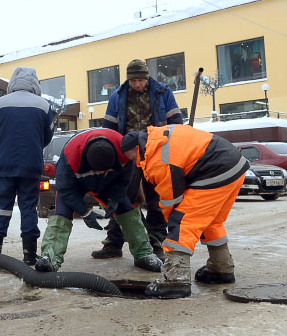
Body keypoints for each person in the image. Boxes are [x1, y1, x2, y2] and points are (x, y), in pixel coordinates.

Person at [121, 125, 249, 298]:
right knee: (210, 221)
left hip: (213, 171)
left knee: (182, 222)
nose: (131, 161)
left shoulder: (157, 157)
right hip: (233, 166)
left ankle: (176, 280)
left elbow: (171, 198)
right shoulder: (157, 138)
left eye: (130, 156)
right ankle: (221, 268)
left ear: (135, 148)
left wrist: (171, 223)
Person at [34, 128, 162, 273]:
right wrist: (84, 212)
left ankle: (143, 254)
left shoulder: (122, 148)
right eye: (100, 170)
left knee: (127, 210)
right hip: (75, 185)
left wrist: (115, 198)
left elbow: (124, 178)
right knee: (61, 214)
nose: (102, 172)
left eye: (106, 170)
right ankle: (50, 257)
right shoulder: (70, 157)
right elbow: (65, 190)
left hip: (109, 184)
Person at [96, 59, 183, 262]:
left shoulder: (163, 93)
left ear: (146, 78)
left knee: (156, 200)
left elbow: (175, 122)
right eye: (133, 80)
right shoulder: (117, 96)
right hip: (130, 153)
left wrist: (176, 143)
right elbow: (108, 127)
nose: (137, 84)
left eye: (140, 80)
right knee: (123, 197)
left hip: (157, 152)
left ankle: (156, 242)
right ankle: (114, 242)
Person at [0, 67, 54, 265]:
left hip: (5, 163)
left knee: (1, 205)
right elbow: (47, 136)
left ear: (12, 82)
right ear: (35, 83)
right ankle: (29, 254)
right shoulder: (43, 105)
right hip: (31, 164)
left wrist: (5, 144)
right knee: (29, 207)